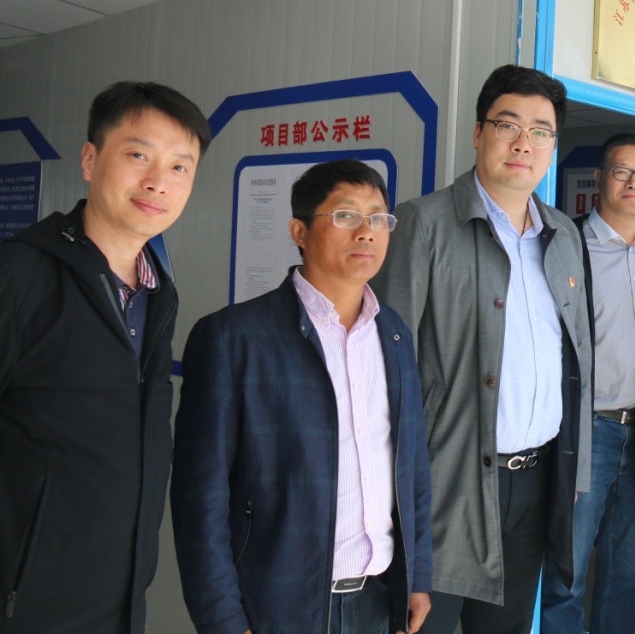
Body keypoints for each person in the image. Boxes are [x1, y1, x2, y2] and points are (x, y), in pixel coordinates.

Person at [171, 159, 432, 634]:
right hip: (278, 605)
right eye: (346, 215)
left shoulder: (393, 334)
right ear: (299, 231)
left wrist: (418, 578)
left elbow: (411, 468)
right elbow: (200, 498)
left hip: (377, 601)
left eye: (378, 218)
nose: (367, 232)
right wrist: (222, 619)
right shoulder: (233, 338)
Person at [385, 65, 592, 634]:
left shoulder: (563, 234)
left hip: (537, 480)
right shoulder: (424, 223)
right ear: (479, 133)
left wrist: (575, 477)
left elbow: (579, 361)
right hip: (447, 483)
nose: (524, 143)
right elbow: (389, 366)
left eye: (541, 131)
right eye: (508, 125)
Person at [0, 81, 210, 634]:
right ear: (90, 160)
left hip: (118, 599)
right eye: (138, 155)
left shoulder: (157, 291)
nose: (158, 182)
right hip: (26, 605)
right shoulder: (20, 274)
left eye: (180, 167)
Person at [541, 133, 635, 634]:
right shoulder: (566, 245)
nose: (634, 183)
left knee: (629, 571)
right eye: (623, 172)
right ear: (600, 178)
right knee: (567, 568)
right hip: (588, 432)